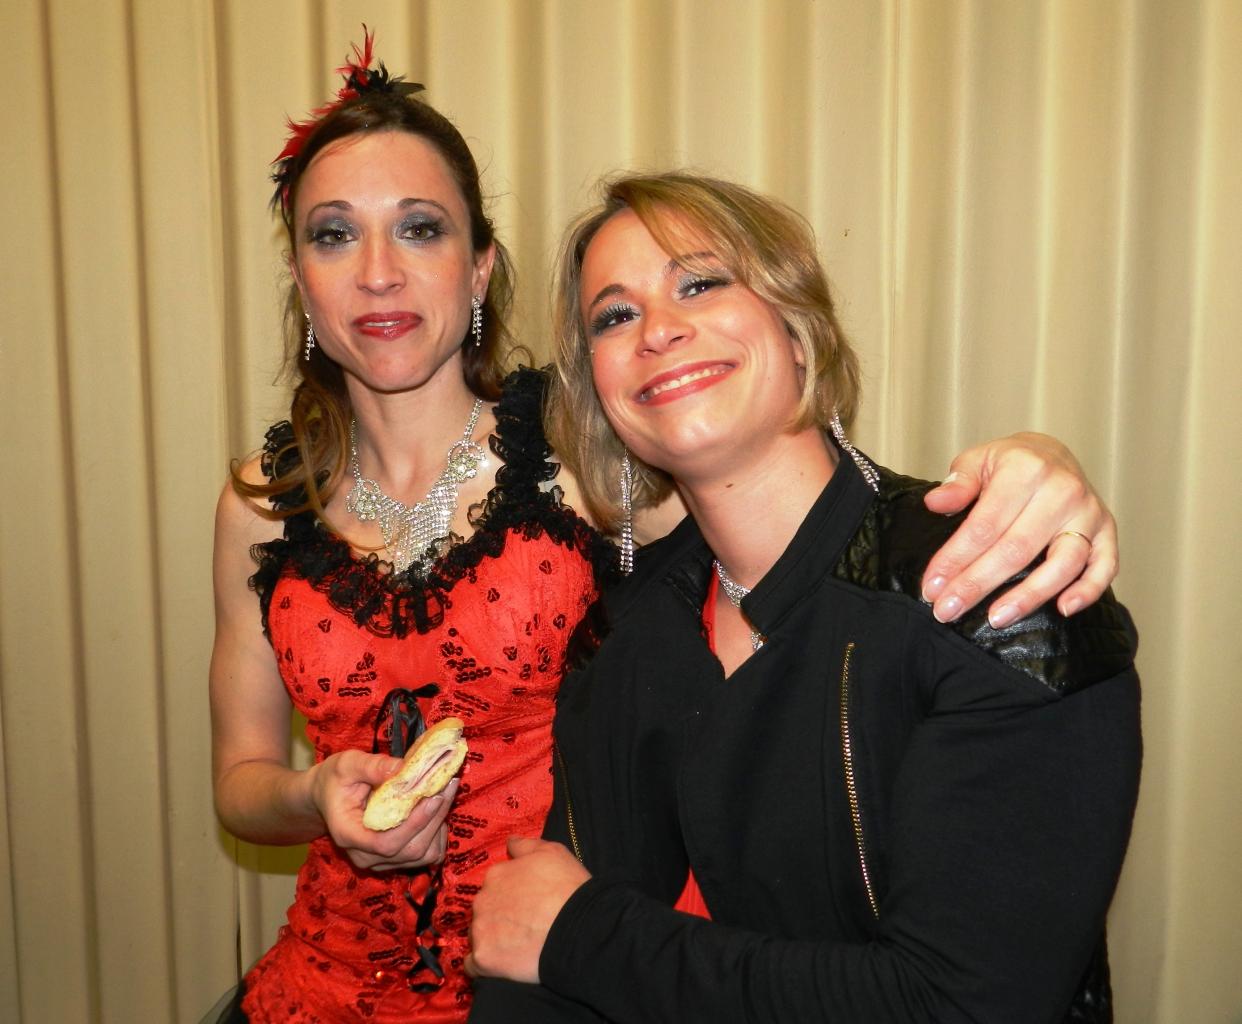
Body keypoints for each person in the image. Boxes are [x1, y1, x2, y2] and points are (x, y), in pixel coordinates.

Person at [210, 35, 1125, 1024]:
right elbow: (242, 775)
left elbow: (806, 495)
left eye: (419, 228)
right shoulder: (644, 625)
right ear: (299, 275)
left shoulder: (581, 469)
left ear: (479, 270)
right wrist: (314, 794)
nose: (379, 273)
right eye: (334, 235)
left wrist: (1037, 465)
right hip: (365, 977)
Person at [464, 172, 1142, 1024]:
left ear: (796, 328)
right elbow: (534, 965)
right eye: (615, 315)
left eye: (699, 283)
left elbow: (961, 1005)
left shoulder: (998, 586)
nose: (658, 329)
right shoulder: (625, 634)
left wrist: (586, 937)